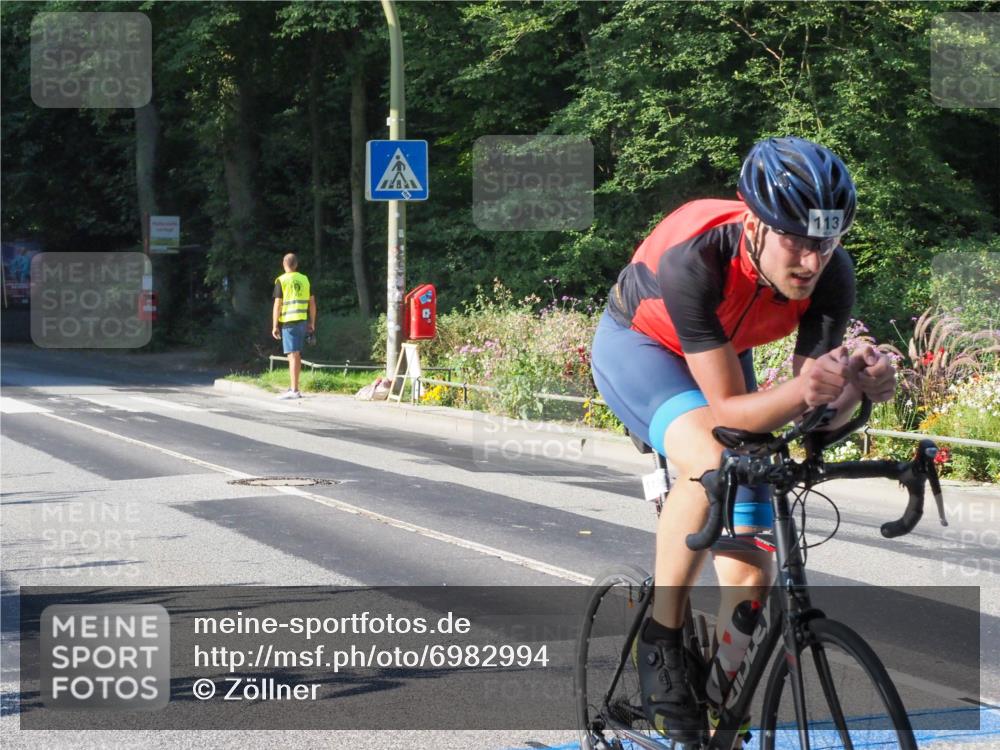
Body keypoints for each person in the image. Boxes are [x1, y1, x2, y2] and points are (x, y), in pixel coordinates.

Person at [591, 136, 896, 742]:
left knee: (752, 576)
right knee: (711, 460)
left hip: (725, 357)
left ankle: (720, 714)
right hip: (642, 349)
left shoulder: (833, 276)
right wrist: (810, 387)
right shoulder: (696, 257)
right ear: (753, 222)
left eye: (827, 241)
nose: (812, 261)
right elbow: (732, 413)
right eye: (798, 241)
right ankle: (662, 640)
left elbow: (809, 417)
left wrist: (857, 387)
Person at [272, 253, 316, 399]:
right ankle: (293, 387)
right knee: (296, 354)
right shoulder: (305, 279)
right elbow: (312, 303)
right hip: (302, 320)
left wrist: (274, 325)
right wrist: (312, 322)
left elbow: (277, 304)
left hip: (289, 322)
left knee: (293, 355)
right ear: (296, 265)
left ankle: (294, 390)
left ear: (284, 264)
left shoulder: (281, 280)